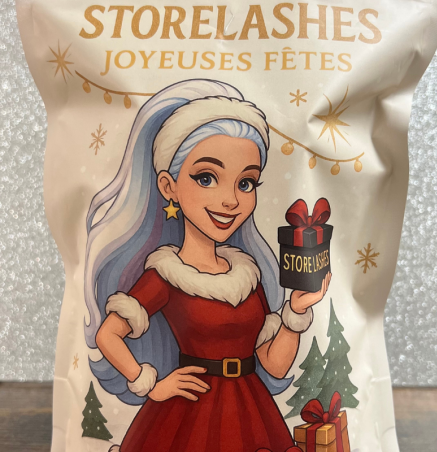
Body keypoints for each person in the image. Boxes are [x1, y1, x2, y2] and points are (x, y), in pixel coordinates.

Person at [83, 79, 331, 452]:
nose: (230, 200)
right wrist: (151, 384)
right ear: (168, 186)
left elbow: (274, 364)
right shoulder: (166, 275)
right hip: (187, 412)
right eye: (206, 178)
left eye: (246, 183)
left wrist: (296, 312)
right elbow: (108, 335)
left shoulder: (246, 275)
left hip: (250, 409)